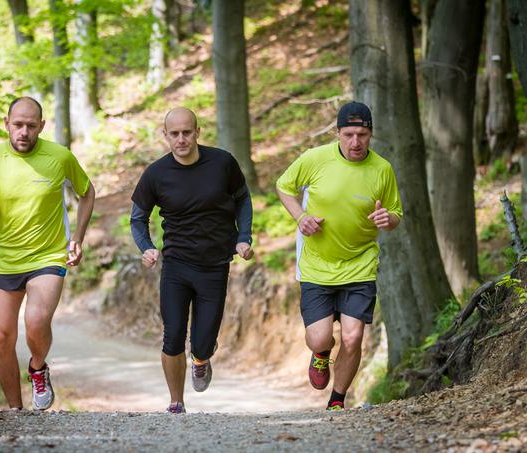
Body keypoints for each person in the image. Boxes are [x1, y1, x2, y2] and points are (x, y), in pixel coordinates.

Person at [0, 97, 95, 410]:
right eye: (17, 125)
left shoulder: (59, 157)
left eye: (31, 126)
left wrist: (77, 236)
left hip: (47, 256)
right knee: (1, 338)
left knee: (36, 320)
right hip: (4, 259)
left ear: (41, 127)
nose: (23, 132)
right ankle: (15, 410)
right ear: (6, 124)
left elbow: (87, 194)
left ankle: (37, 367)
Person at [276, 101, 402, 411]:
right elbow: (284, 186)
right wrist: (300, 216)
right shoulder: (315, 159)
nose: (355, 142)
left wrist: (390, 219)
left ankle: (337, 399)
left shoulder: (382, 169)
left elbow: (395, 211)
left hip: (360, 264)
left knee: (352, 337)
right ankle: (320, 355)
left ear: (371, 133)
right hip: (317, 265)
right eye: (348, 134)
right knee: (320, 339)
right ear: (337, 133)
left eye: (362, 134)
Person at [130, 107, 254, 414]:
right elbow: (138, 217)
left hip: (215, 264)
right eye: (175, 134)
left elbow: (243, 199)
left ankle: (201, 359)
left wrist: (244, 237)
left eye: (187, 132)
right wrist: (146, 247)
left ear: (197, 132)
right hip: (176, 264)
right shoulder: (156, 174)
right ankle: (176, 401)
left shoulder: (222, 163)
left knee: (202, 341)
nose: (182, 139)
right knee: (172, 335)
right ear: (166, 136)